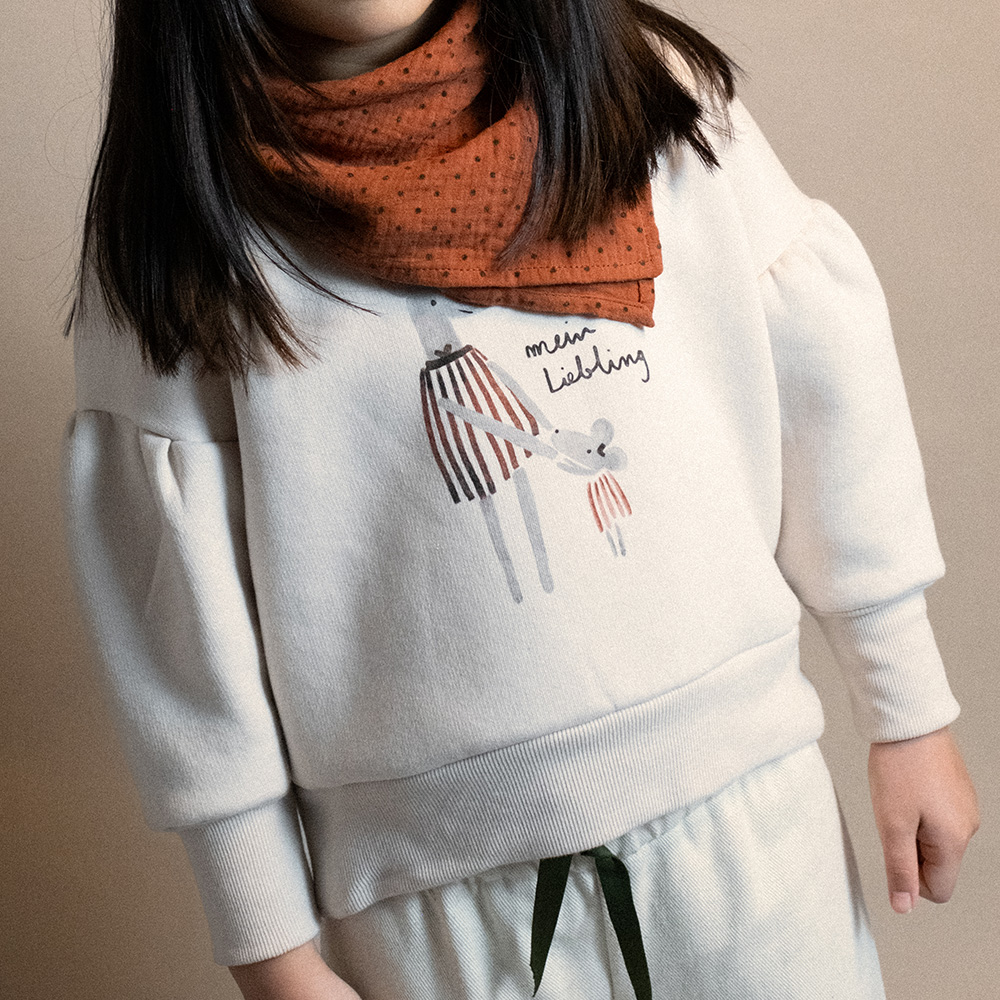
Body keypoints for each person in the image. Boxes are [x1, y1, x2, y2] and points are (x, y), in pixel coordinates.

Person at [61, 0, 980, 998]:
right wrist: (269, 948)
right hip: (439, 907)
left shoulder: (642, 95)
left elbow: (824, 397)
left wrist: (905, 705)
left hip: (752, 827)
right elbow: (179, 604)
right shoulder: (186, 228)